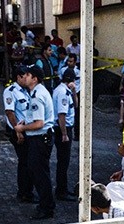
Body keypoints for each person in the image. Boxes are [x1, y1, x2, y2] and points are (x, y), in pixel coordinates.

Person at [15, 65, 57, 220]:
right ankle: (46, 204)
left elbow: (39, 123)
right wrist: (25, 120)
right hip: (40, 138)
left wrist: (22, 127)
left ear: (34, 78)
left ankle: (46, 207)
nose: (24, 77)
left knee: (39, 173)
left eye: (27, 74)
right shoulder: (36, 93)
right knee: (38, 171)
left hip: (40, 138)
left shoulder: (37, 96)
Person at [4, 68, 34, 204]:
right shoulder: (10, 92)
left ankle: (27, 191)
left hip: (28, 130)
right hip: (18, 132)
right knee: (24, 162)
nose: (27, 79)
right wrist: (18, 131)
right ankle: (24, 193)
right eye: (25, 77)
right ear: (18, 77)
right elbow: (10, 113)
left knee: (28, 161)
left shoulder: (26, 91)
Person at [52, 68, 78, 202]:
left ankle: (63, 188)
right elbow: (61, 115)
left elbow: (76, 104)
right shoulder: (62, 92)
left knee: (65, 161)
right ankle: (61, 191)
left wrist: (73, 91)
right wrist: (64, 134)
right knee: (63, 161)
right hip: (63, 129)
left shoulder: (65, 91)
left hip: (66, 128)